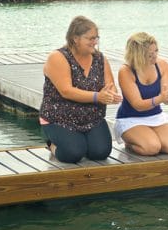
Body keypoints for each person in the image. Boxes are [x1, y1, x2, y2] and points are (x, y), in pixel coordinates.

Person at [39, 16, 122, 163]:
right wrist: (98, 97)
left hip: (92, 118)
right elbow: (66, 91)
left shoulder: (100, 58)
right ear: (75, 38)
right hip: (59, 119)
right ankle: (52, 145)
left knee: (100, 152)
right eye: (90, 38)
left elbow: (110, 85)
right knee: (73, 153)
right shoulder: (58, 57)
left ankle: (81, 140)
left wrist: (111, 94)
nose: (95, 42)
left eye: (96, 38)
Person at [114, 32, 168, 155]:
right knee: (152, 148)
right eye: (150, 55)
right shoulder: (126, 71)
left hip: (155, 116)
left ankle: (147, 136)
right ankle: (130, 143)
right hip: (131, 118)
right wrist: (160, 98)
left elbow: (166, 98)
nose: (155, 56)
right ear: (138, 55)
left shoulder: (162, 64)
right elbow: (138, 105)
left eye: (156, 52)